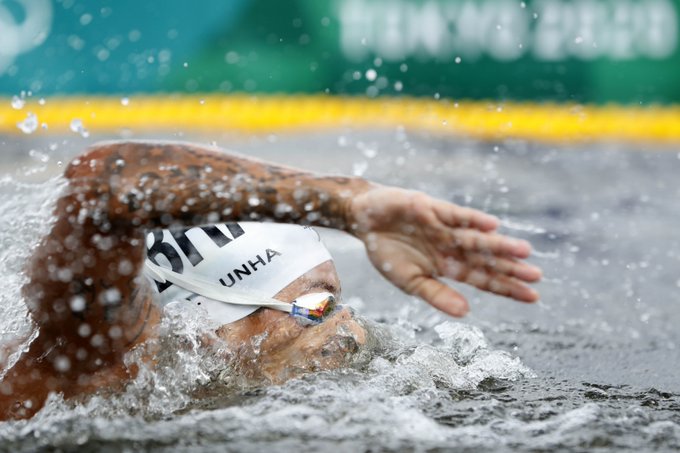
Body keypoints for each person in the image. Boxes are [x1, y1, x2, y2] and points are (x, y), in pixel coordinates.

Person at [0, 141, 541, 420]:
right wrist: (345, 200)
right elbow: (103, 180)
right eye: (314, 307)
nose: (347, 328)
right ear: (203, 330)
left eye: (337, 299)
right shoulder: (90, 367)